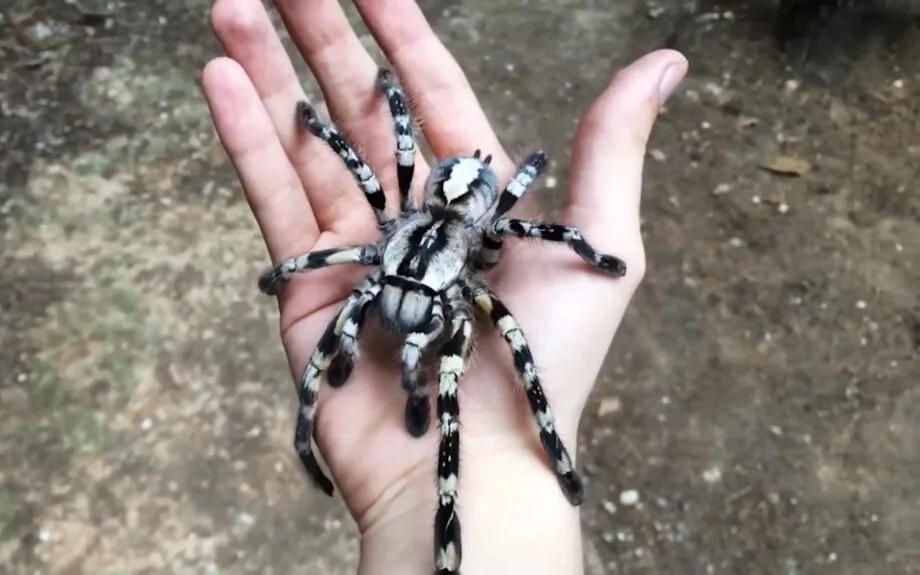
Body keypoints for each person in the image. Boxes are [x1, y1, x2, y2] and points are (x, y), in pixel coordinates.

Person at [201, 1, 688, 572]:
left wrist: (587, 252)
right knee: (371, 183)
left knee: (472, 386)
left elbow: (532, 230)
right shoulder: (380, 247)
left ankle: (538, 454)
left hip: (462, 246)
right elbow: (365, 161)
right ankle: (306, 439)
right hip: (420, 238)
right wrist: (324, 144)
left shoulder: (481, 266)